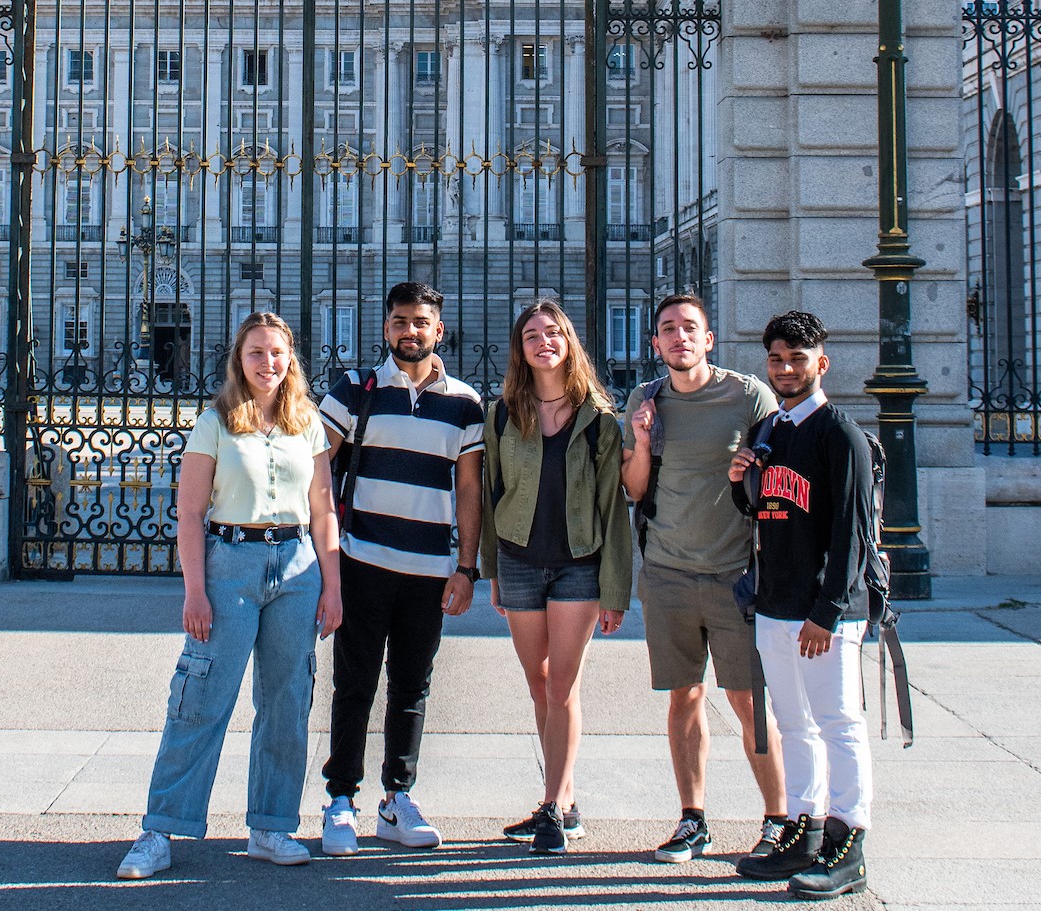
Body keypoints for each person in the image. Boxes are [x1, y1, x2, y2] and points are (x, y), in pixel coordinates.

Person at [116, 312, 342, 880]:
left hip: (297, 567)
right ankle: (160, 828)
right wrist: (195, 590)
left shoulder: (307, 424)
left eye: (277, 353)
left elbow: (324, 511)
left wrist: (332, 585)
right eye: (256, 353)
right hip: (230, 564)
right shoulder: (214, 423)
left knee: (288, 703)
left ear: (291, 360)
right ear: (238, 361)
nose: (268, 363)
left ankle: (271, 824)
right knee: (200, 698)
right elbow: (189, 514)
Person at [317, 282, 484, 855]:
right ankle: (341, 798)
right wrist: (326, 553)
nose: (409, 331)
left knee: (412, 688)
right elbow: (317, 466)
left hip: (430, 568)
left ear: (439, 330)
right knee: (354, 685)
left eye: (420, 322)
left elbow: (468, 487)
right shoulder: (354, 390)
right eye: (399, 321)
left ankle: (397, 797)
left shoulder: (464, 403)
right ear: (386, 328)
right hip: (363, 560)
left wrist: (467, 566)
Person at [620, 293, 787, 863]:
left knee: (747, 699)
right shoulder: (645, 399)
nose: (679, 337)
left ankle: (778, 819)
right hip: (666, 572)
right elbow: (635, 490)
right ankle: (693, 819)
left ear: (708, 339)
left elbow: (782, 476)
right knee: (683, 697)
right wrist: (642, 442)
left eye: (690, 327)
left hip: (735, 575)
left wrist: (754, 469)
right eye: (668, 329)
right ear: (655, 343)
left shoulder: (748, 396)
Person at [729, 310, 875, 900]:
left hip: (823, 610)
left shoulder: (840, 434)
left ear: (822, 362)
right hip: (775, 602)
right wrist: (743, 481)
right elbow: (765, 514)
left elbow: (853, 532)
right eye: (776, 359)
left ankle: (850, 841)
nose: (786, 369)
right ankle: (804, 829)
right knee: (793, 724)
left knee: (839, 723)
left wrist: (829, 610)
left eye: (797, 359)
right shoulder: (770, 429)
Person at [481, 298, 631, 855]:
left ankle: (551, 809)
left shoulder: (599, 420)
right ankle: (565, 801)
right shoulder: (502, 416)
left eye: (552, 332)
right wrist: (492, 570)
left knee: (563, 685)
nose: (543, 342)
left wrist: (616, 588)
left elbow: (615, 510)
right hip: (519, 561)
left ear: (568, 342)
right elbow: (494, 492)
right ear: (520, 350)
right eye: (531, 336)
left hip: (579, 565)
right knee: (539, 683)